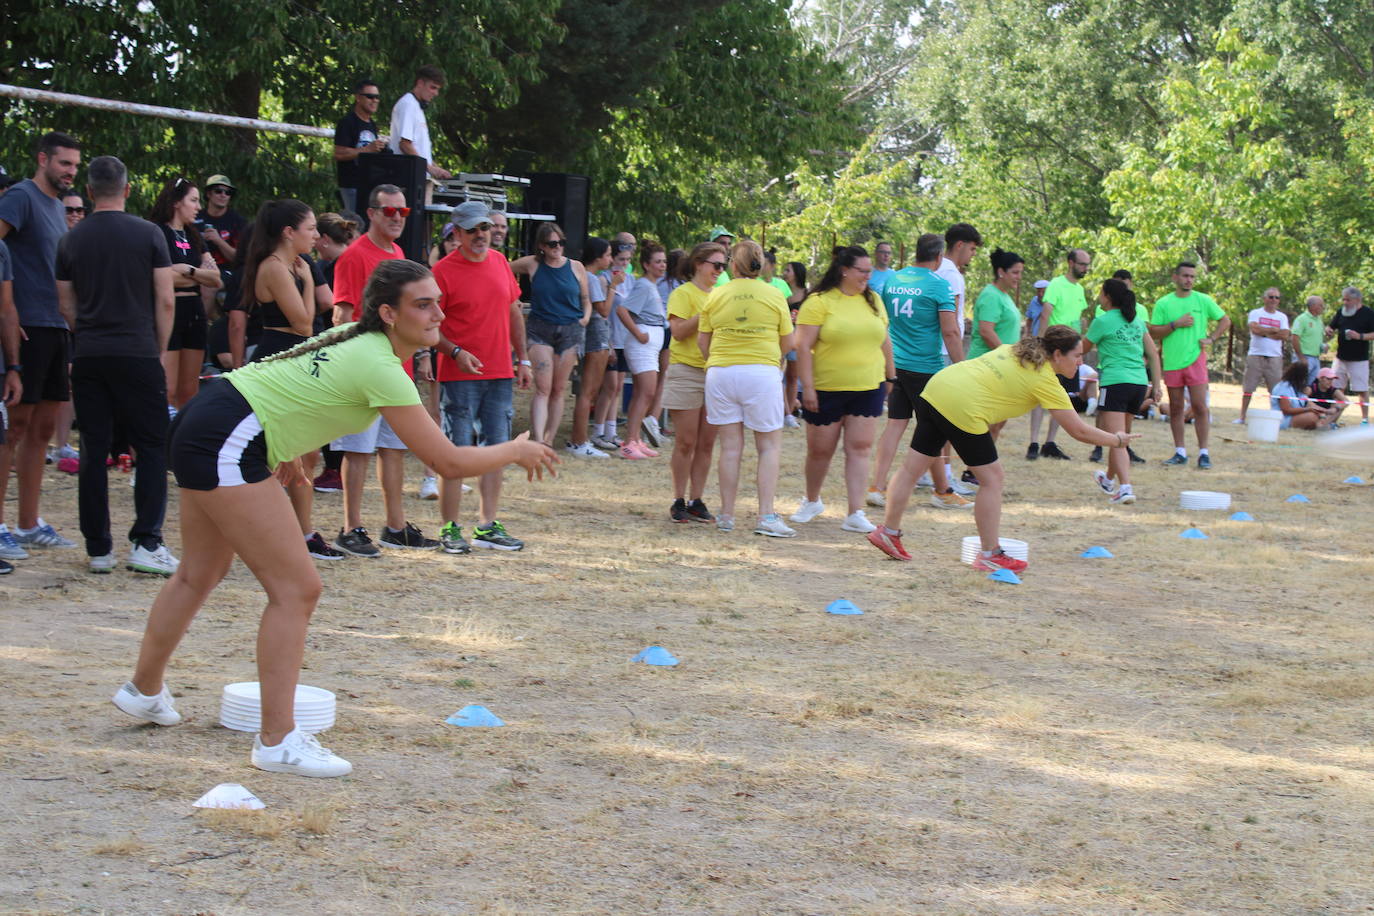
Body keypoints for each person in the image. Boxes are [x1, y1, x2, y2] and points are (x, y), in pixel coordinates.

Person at [110, 259, 558, 778]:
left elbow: (291, 381)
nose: (439, 312)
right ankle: (278, 741)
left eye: (438, 300)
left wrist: (287, 447)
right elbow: (448, 462)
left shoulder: (364, 338)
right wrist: (514, 449)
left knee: (198, 573)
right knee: (297, 589)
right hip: (225, 438)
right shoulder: (381, 364)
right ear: (389, 313)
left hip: (209, 422)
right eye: (423, 303)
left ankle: (143, 691)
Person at [868, 326, 1139, 568]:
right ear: (1057, 354)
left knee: (911, 468)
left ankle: (888, 532)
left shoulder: (1015, 349)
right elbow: (1078, 430)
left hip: (938, 387)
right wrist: (1116, 440)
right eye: (1077, 356)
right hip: (962, 406)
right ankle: (990, 554)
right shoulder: (1044, 378)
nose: (1081, 361)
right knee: (993, 479)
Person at [54, 156, 177, 574]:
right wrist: (158, 349)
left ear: (89, 192)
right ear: (127, 189)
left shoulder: (70, 239)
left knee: (93, 448)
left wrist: (85, 333)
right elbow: (165, 298)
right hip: (137, 350)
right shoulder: (148, 234)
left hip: (90, 351)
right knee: (151, 446)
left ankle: (98, 548)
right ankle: (146, 540)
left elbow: (65, 303)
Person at [328, 184, 437, 556]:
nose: (395, 218)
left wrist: (419, 354)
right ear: (371, 213)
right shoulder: (354, 256)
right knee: (358, 450)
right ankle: (350, 527)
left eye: (402, 213)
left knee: (392, 448)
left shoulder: (399, 255)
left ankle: (395, 526)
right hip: (363, 370)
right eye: (388, 211)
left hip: (397, 369)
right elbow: (341, 315)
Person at [237, 200, 346, 561]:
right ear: (289, 232)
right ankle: (286, 533)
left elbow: (326, 307)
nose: (316, 235)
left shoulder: (296, 265)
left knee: (307, 454)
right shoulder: (275, 267)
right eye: (311, 228)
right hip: (280, 359)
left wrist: (307, 275)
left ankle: (301, 531)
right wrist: (305, 281)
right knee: (289, 454)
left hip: (299, 360)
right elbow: (303, 322)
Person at [432, 199, 533, 553]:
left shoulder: (501, 263)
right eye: (472, 229)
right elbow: (430, 327)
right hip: (458, 376)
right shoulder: (442, 272)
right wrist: (455, 353)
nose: (480, 235)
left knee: (497, 451)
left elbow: (513, 312)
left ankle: (488, 525)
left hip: (500, 372)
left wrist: (523, 360)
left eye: (485, 228)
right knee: (456, 453)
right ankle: (450, 528)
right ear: (456, 233)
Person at [0, 131, 82, 551]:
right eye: (64, 163)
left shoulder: (55, 205)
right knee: (12, 429)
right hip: (25, 327)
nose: (70, 171)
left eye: (74, 165)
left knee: (44, 429)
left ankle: (28, 524)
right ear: (43, 159)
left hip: (55, 328)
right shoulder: (21, 196)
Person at [789, 246, 891, 534]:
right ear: (844, 270)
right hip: (826, 387)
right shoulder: (819, 301)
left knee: (859, 449)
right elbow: (803, 347)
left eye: (870, 271)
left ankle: (855, 512)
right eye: (863, 271)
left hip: (868, 385)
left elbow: (884, 340)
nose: (868, 276)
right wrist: (807, 387)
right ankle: (811, 500)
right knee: (820, 451)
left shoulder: (874, 301)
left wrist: (891, 376)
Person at [867, 234, 970, 512]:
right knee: (934, 429)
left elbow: (885, 320)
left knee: (896, 425)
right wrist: (962, 367)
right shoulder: (940, 286)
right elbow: (950, 331)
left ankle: (877, 487)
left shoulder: (892, 281)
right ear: (939, 258)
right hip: (927, 368)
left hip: (896, 364)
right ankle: (943, 492)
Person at [700, 239, 794, 535]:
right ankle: (765, 517)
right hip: (761, 372)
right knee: (768, 447)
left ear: (733, 264)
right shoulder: (774, 294)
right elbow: (788, 341)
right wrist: (774, 361)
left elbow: (704, 341)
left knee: (730, 447)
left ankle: (726, 515)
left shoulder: (717, 294)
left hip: (721, 372)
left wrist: (718, 361)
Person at [511, 222, 591, 446]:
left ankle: (549, 440)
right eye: (552, 244)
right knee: (543, 387)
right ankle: (538, 439)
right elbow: (503, 269)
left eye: (561, 243)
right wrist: (513, 297)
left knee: (558, 389)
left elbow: (586, 299)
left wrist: (584, 318)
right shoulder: (533, 264)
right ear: (542, 246)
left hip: (570, 330)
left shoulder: (576, 267)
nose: (557, 248)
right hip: (541, 329)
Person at [1083, 278, 1162, 505]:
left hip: (1115, 383)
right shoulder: (1136, 321)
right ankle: (1108, 480)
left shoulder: (1102, 321)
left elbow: (1082, 348)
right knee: (1121, 437)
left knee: (1116, 439)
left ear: (1107, 296)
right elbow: (1154, 354)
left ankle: (1125, 488)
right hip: (1138, 385)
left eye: (1100, 292)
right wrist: (1156, 386)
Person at [663, 242, 725, 522]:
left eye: (723, 265)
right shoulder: (683, 293)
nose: (719, 271)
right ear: (699, 264)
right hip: (687, 370)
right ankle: (678, 498)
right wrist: (705, 315)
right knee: (686, 441)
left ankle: (697, 499)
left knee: (707, 444)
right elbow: (677, 332)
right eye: (716, 265)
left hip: (715, 372)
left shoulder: (723, 294)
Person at [149, 177, 223, 410]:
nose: (198, 207)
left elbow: (216, 278)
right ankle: (162, 443)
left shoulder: (195, 236)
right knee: (167, 389)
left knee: (189, 392)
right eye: (193, 200)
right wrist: (195, 273)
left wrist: (187, 270)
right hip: (167, 311)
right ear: (176, 202)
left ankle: (183, 443)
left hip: (195, 313)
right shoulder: (157, 232)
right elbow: (159, 276)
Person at [1149, 261, 1231, 467]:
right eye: (1185, 276)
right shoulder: (1164, 303)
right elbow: (1153, 332)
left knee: (1200, 406)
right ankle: (1180, 452)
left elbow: (1225, 320)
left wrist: (1212, 338)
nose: (1189, 280)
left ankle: (1204, 453)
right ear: (1175, 277)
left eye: (1192, 277)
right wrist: (1175, 325)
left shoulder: (1203, 300)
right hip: (1172, 362)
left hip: (1196, 360)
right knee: (1176, 407)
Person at [1028, 249, 1092, 460]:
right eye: (1082, 264)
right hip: (1052, 350)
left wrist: (1079, 350)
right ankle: (1034, 442)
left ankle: (1050, 443)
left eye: (1087, 264)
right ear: (1070, 262)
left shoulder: (1080, 289)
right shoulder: (1056, 284)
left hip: (1069, 352)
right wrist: (1041, 345)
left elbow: (1077, 321)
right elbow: (1045, 315)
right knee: (1039, 396)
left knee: (1062, 397)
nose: (1085, 268)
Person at [934, 223, 981, 493]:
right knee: (947, 418)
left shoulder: (936, 270)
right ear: (960, 245)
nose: (973, 255)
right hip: (944, 352)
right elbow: (949, 325)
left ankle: (936, 474)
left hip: (935, 351)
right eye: (972, 249)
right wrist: (960, 363)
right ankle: (946, 476)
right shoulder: (951, 275)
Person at [615, 242, 669, 458]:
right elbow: (622, 310)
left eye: (664, 261)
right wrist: (638, 334)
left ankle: (635, 439)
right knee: (646, 392)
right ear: (646, 265)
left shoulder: (651, 286)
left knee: (642, 392)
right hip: (643, 345)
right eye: (658, 262)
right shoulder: (644, 285)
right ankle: (629, 441)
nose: (662, 265)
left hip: (650, 344)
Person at [566, 237, 614, 458]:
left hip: (593, 337)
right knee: (588, 392)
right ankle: (579, 441)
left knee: (588, 392)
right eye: (608, 255)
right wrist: (614, 287)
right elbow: (603, 310)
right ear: (597, 257)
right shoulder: (592, 278)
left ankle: (580, 440)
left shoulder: (579, 273)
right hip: (595, 336)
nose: (611, 259)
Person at [591, 240, 633, 449]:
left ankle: (611, 431)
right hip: (610, 339)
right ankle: (598, 431)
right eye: (620, 259)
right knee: (609, 387)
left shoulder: (631, 280)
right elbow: (602, 314)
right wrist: (607, 343)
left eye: (627, 260)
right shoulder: (604, 279)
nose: (623, 264)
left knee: (617, 388)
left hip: (624, 340)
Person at [1236, 288, 1290, 424]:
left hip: (1275, 358)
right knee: (1248, 389)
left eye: (1277, 298)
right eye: (1271, 297)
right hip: (1255, 355)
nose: (1274, 300)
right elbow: (1254, 329)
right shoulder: (1255, 313)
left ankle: (1276, 418)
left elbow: (1284, 335)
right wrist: (1272, 331)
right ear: (1264, 298)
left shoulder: (1282, 317)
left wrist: (1263, 332)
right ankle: (1242, 417)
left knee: (1275, 391)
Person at [333, 79, 387, 214]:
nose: (374, 100)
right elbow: (339, 153)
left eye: (377, 97)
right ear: (358, 97)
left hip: (369, 185)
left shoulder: (372, 124)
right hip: (351, 184)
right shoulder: (347, 122)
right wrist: (367, 150)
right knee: (354, 224)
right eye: (370, 96)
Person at [389, 65, 452, 180]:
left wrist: (435, 167)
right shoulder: (408, 104)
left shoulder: (416, 106)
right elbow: (405, 144)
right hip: (406, 178)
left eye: (438, 89)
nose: (436, 93)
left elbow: (418, 148)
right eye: (433, 87)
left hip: (417, 177)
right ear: (420, 83)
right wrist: (429, 168)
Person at [1326, 287, 1374, 425]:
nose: (1345, 302)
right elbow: (1332, 327)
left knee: (1361, 390)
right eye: (1344, 299)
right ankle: (1333, 420)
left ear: (1357, 300)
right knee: (1336, 389)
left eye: (1348, 299)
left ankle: (1364, 420)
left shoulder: (1368, 313)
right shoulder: (1341, 312)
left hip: (1359, 359)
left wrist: (1359, 336)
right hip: (1340, 358)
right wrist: (1329, 330)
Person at [968, 249, 1024, 361]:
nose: (1019, 277)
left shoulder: (1003, 295)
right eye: (1015, 272)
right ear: (1001, 272)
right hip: (986, 364)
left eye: (1021, 272)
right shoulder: (991, 296)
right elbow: (986, 331)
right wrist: (1006, 357)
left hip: (999, 363)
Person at [197, 174, 247, 267]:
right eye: (218, 191)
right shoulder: (195, 218)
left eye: (228, 192)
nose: (223, 195)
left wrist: (218, 240)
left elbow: (240, 258)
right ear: (208, 194)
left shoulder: (238, 221)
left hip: (228, 272)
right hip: (197, 270)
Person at [1271, 361, 1335, 430]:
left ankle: (1322, 426)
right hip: (1282, 419)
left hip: (1295, 416)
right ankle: (1321, 427)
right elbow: (1286, 410)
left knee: (1317, 415)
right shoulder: (1283, 388)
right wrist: (1307, 410)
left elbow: (1308, 403)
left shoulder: (1297, 387)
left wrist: (1324, 411)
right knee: (1312, 417)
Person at [1291, 295, 1326, 387]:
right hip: (1304, 357)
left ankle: (1306, 401)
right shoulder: (1301, 319)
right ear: (1313, 306)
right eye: (1321, 305)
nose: (1323, 307)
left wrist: (1323, 347)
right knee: (1298, 383)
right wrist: (1301, 357)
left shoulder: (1319, 320)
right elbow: (1294, 338)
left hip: (1316, 358)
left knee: (1311, 386)